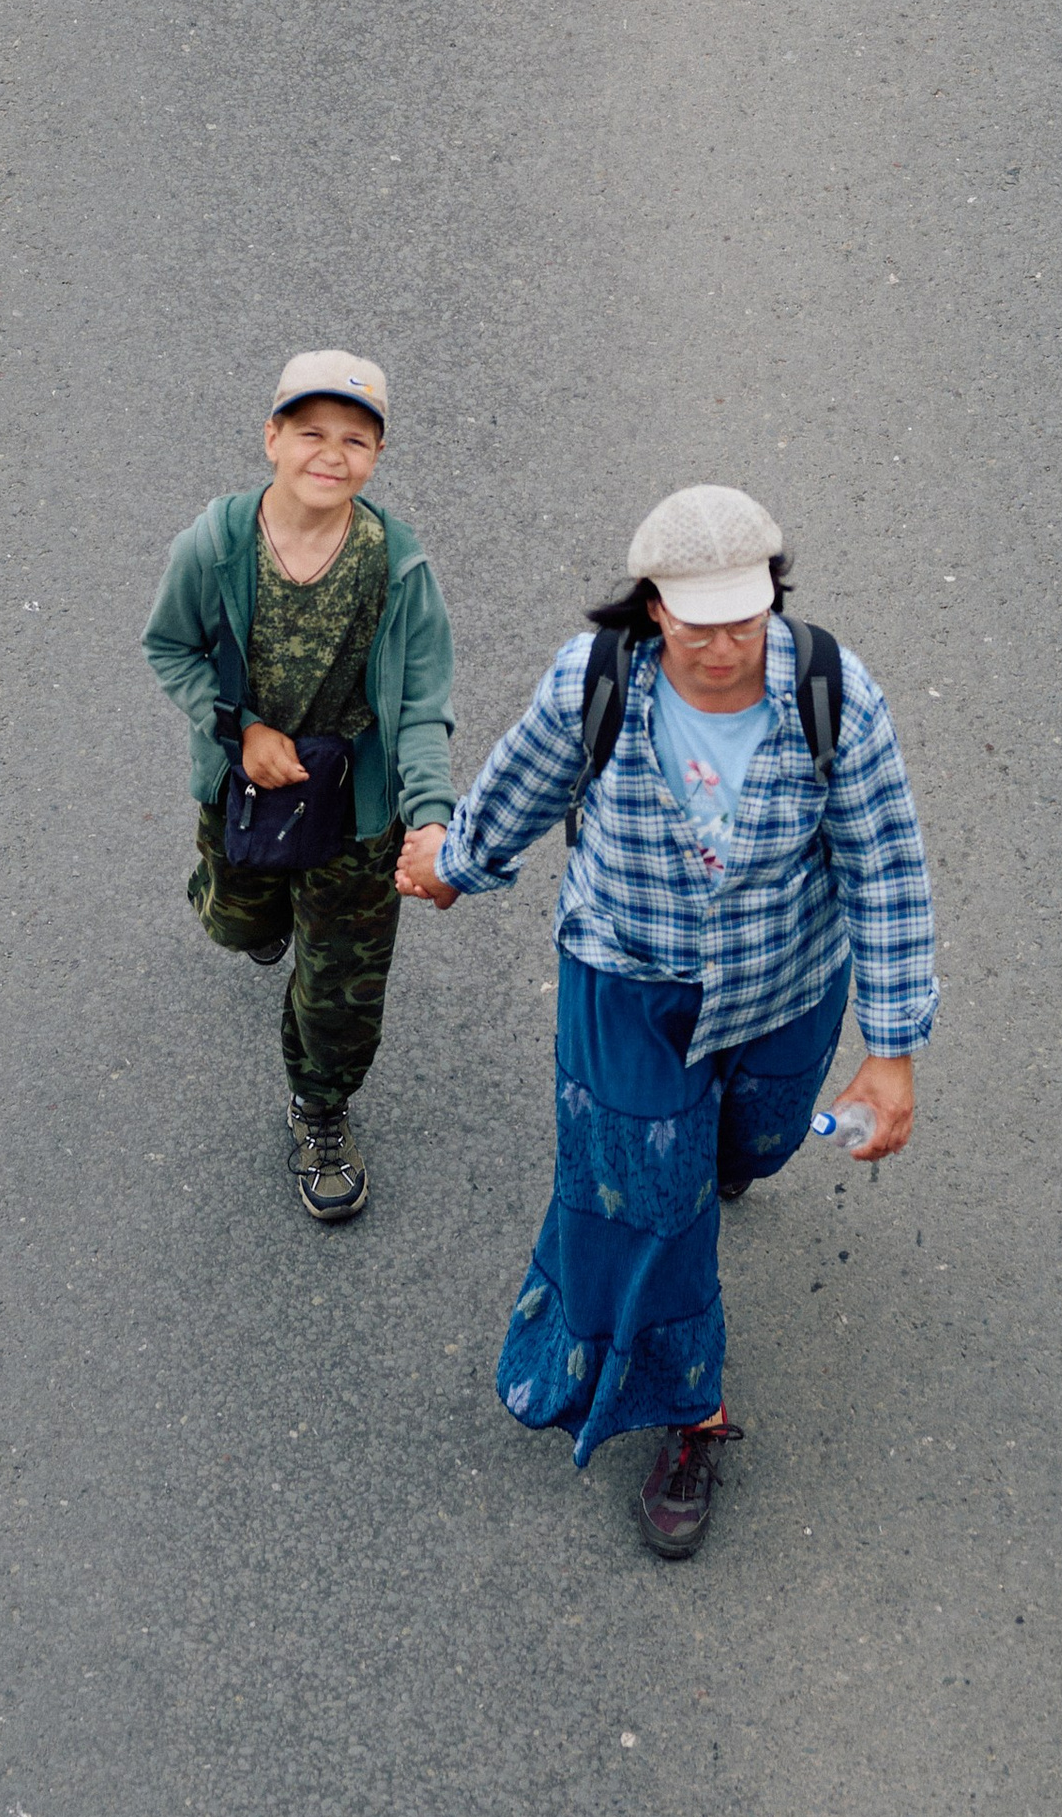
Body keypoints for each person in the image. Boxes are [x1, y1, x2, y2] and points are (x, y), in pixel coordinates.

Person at [397, 486, 935, 1557]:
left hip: (783, 982)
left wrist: (891, 1051)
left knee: (759, 1140)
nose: (724, 644)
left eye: (746, 617)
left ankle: (726, 1151)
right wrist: (455, 863)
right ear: (653, 608)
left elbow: (885, 863)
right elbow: (523, 778)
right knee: (655, 1196)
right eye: (699, 622)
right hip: (625, 975)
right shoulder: (592, 682)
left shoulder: (836, 694)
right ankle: (692, 1412)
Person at [143, 353, 456, 1225]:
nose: (332, 453)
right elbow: (168, 647)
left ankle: (320, 1107)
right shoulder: (216, 545)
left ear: (377, 455)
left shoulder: (398, 567)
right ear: (272, 437)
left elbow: (425, 707)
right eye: (311, 431)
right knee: (238, 921)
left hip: (358, 810)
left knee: (343, 977)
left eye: (355, 438)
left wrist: (430, 820)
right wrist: (238, 727)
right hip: (246, 790)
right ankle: (254, 922)